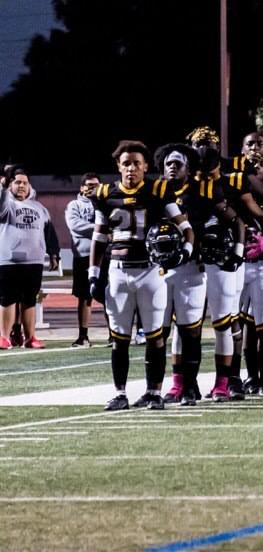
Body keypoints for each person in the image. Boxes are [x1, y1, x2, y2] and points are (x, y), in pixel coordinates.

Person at [89, 140, 195, 410]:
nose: (132, 168)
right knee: (119, 338)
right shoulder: (104, 193)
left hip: (150, 270)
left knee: (155, 335)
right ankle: (120, 393)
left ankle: (154, 392)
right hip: (118, 270)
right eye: (126, 163)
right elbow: (99, 237)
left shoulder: (159, 189)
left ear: (146, 166)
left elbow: (186, 227)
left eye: (137, 163)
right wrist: (93, 274)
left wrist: (186, 251)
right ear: (118, 166)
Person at [0, 167, 60, 349]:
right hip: (8, 261)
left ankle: (30, 337)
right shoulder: (7, 204)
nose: (21, 186)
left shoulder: (39, 208)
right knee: (7, 299)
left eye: (25, 183)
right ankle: (4, 337)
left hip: (33, 262)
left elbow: (49, 232)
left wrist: (54, 253)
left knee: (29, 300)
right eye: (17, 182)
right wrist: (2, 189)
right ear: (10, 185)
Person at [65, 172, 100, 347]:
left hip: (104, 255)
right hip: (83, 255)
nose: (92, 188)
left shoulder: (106, 203)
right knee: (84, 296)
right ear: (82, 187)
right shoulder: (74, 205)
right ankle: (83, 336)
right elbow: (75, 226)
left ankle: (114, 335)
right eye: (89, 185)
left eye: (96, 185)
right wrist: (100, 228)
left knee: (109, 295)